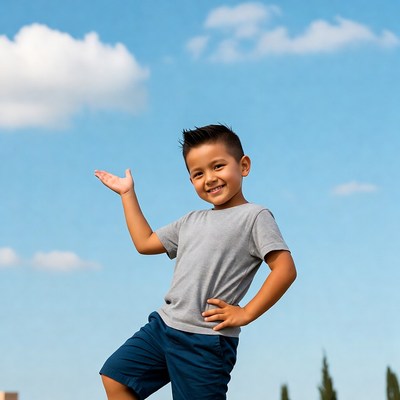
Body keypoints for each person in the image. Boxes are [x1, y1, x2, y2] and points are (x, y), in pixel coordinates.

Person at [94, 124, 297, 400]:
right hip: (163, 327)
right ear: (191, 181)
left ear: (244, 166)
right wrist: (127, 194)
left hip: (205, 340)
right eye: (198, 173)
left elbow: (285, 269)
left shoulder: (255, 216)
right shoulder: (190, 220)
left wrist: (246, 312)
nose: (210, 178)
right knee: (115, 376)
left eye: (218, 166)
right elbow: (145, 242)